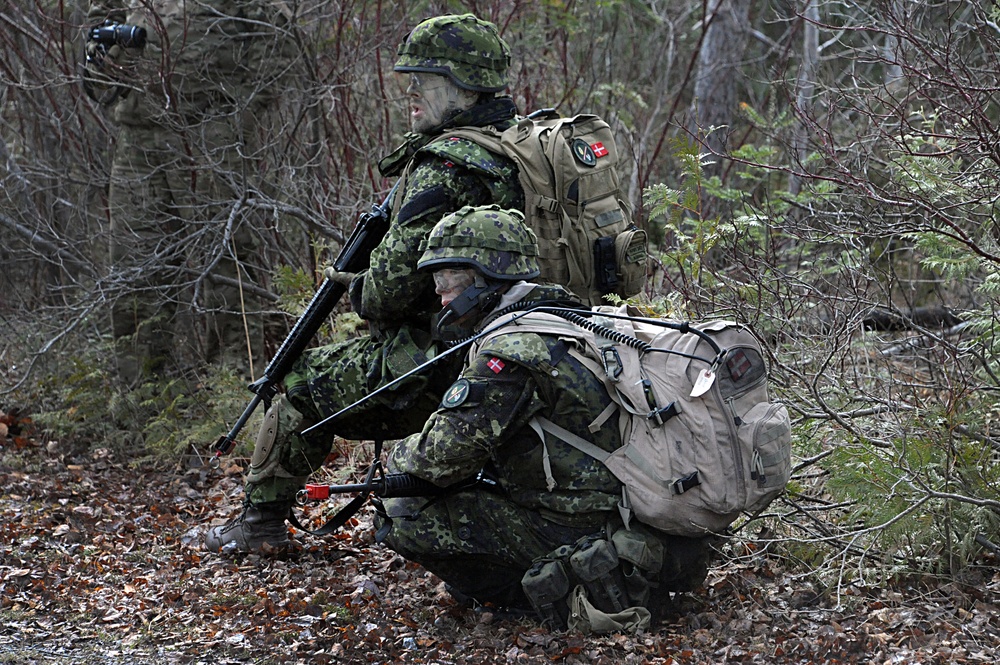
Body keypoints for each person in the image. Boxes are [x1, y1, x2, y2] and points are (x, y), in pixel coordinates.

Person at [204, 14, 525, 552]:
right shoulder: (526, 145)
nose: (411, 91)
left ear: (464, 85)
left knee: (298, 382)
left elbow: (388, 294)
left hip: (452, 355)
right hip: (544, 338)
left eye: (425, 79)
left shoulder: (444, 167)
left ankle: (258, 526)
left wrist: (355, 285)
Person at [376, 205, 712, 631]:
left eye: (449, 282)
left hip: (578, 523)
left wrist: (394, 461)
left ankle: (552, 592)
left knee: (400, 511)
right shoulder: (566, 315)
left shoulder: (511, 350)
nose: (441, 296)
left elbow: (437, 458)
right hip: (636, 510)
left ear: (485, 278)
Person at [82, 0, 295, 383]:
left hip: (210, 129)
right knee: (135, 266)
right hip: (138, 135)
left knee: (227, 259)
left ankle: (236, 388)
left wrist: (242, 114)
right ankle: (141, 395)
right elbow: (99, 24)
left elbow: (274, 30)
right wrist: (107, 57)